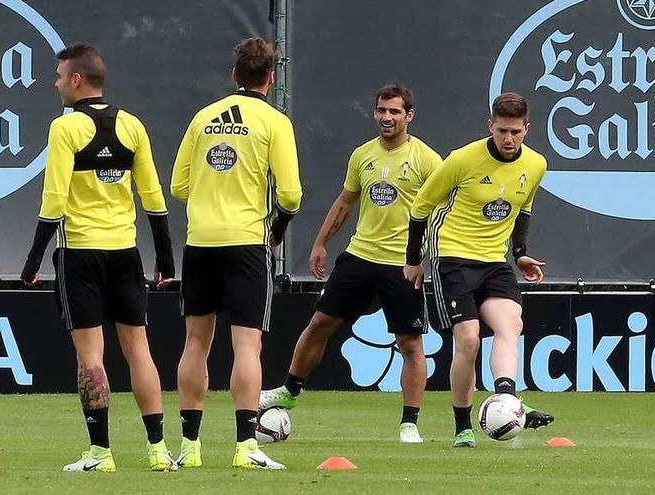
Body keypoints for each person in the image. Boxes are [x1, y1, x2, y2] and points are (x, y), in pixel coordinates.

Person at [20, 44, 177, 472]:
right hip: (125, 254)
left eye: (57, 77)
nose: (55, 84)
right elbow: (154, 199)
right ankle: (159, 451)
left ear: (76, 80)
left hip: (80, 256)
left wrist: (32, 263)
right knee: (139, 351)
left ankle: (101, 453)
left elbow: (53, 202)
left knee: (90, 357)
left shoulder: (64, 129)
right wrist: (165, 259)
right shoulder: (133, 126)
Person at [259, 85, 442, 443]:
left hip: (401, 265)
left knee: (410, 345)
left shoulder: (426, 160)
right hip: (359, 256)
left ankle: (409, 423)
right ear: (374, 113)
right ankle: (289, 392)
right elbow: (345, 202)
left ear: (409, 116)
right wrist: (320, 243)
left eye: (394, 112)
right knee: (319, 324)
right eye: (381, 111)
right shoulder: (363, 155)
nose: (387, 117)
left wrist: (422, 259)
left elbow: (440, 215)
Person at [170, 38, 302, 470]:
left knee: (196, 342)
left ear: (234, 75)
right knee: (247, 345)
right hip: (246, 242)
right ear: (272, 76)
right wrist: (275, 232)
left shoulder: (203, 117)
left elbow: (179, 186)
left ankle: (189, 447)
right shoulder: (274, 121)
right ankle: (246, 447)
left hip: (201, 241)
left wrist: (213, 195)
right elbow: (291, 194)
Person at [404, 92, 555, 448]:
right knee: (469, 339)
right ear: (491, 126)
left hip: (494, 262)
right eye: (502, 130)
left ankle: (506, 398)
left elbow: (524, 211)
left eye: (516, 132)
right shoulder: (462, 160)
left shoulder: (536, 165)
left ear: (527, 130)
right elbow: (420, 207)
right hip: (453, 256)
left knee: (510, 325)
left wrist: (520, 255)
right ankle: (463, 426)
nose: (508, 139)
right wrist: (414, 259)